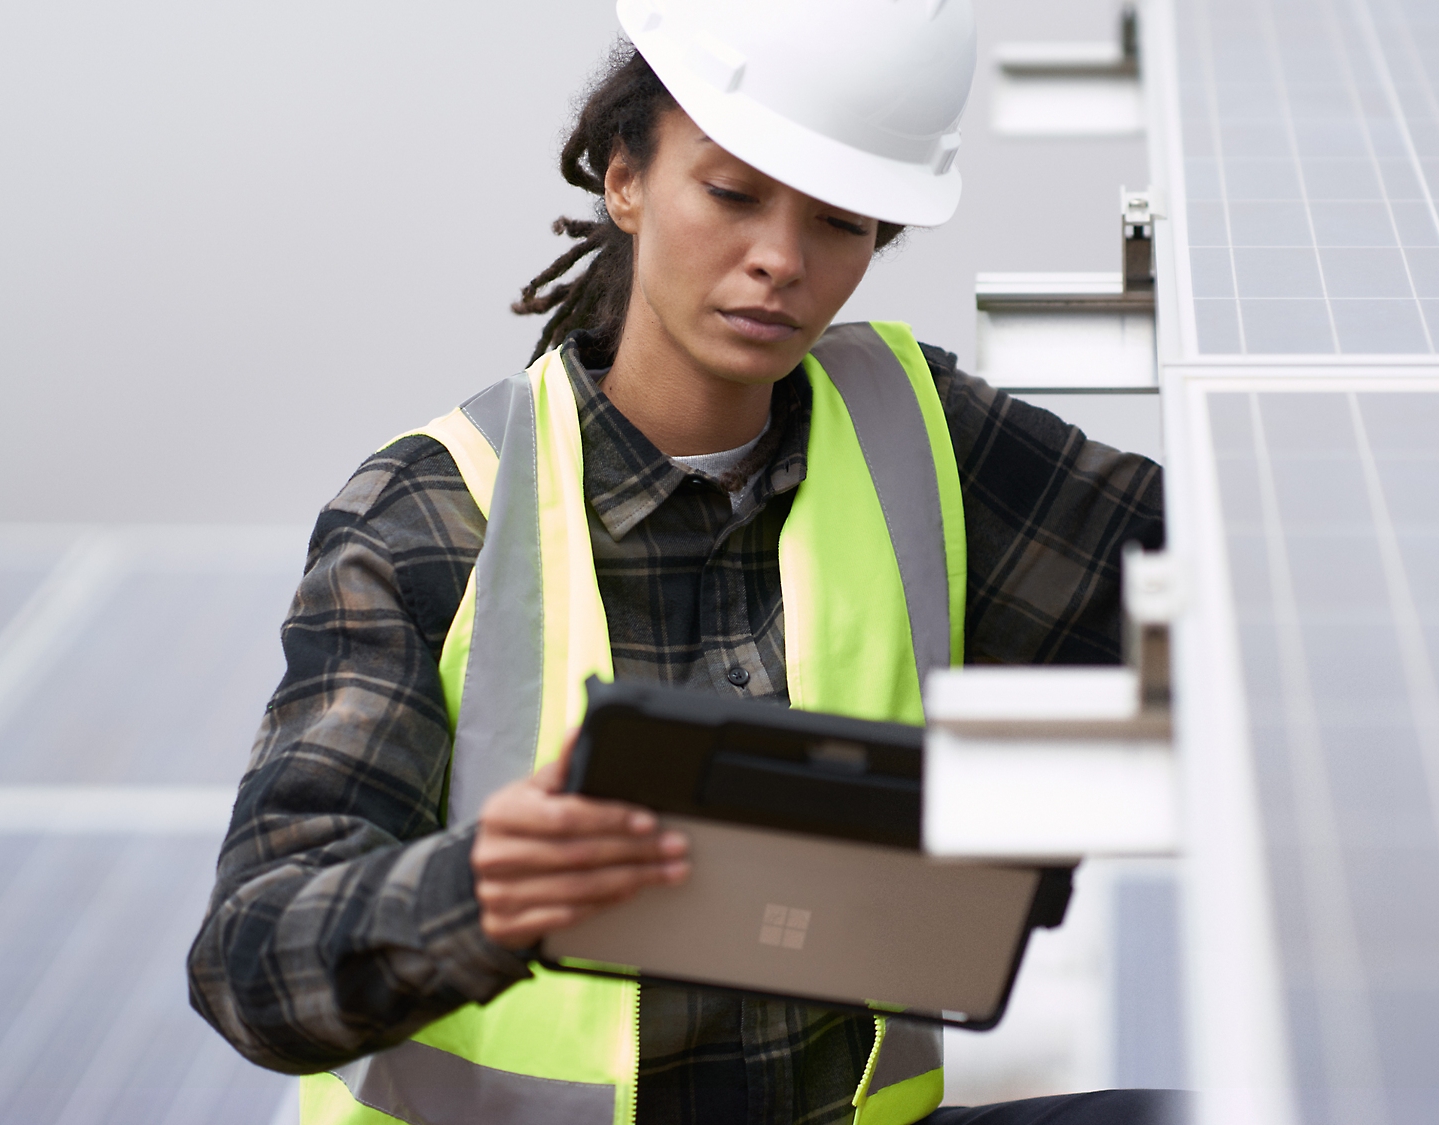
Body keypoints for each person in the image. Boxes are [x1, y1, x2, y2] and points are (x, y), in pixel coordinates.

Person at [188, 1, 1174, 1122]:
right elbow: (251, 961)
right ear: (624, 180)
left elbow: (1246, 596)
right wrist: (477, 894)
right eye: (732, 193)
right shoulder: (431, 515)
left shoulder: (920, 434)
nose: (779, 261)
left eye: (840, 221)